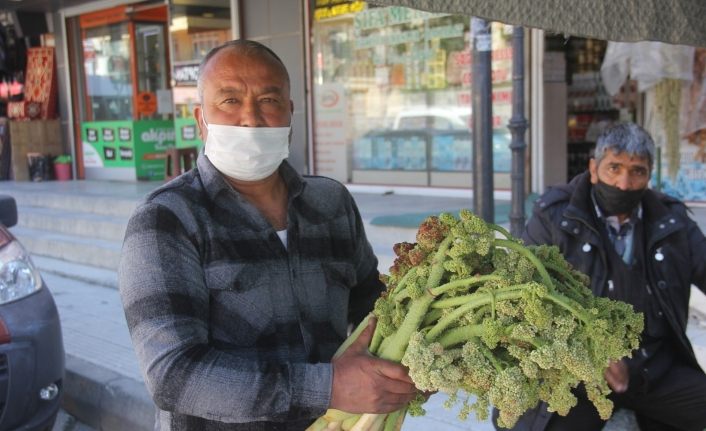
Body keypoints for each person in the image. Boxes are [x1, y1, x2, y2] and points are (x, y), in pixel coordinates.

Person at [118, 40, 417, 430]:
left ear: (290, 112)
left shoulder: (331, 203)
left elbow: (369, 308)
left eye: (269, 99)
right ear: (200, 119)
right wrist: (327, 388)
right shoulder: (166, 220)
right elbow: (174, 376)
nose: (251, 119)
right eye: (229, 100)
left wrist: (414, 350)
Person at [495, 123, 706, 431]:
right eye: (614, 168)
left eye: (637, 171)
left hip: (654, 367)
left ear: (649, 176)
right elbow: (521, 295)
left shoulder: (671, 220)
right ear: (593, 169)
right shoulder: (555, 216)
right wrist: (588, 350)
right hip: (574, 372)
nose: (623, 183)